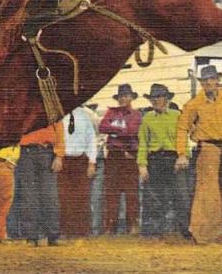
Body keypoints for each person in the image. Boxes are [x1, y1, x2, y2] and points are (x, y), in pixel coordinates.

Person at [176, 66, 222, 244]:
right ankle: (200, 234)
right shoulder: (194, 104)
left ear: (218, 79)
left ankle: (216, 233)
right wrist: (181, 153)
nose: (209, 82)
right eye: (205, 80)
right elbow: (181, 128)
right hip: (207, 149)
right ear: (201, 83)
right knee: (207, 192)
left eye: (212, 78)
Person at [137, 83, 185, 237]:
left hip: (173, 159)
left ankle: (185, 231)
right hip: (155, 159)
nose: (156, 100)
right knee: (153, 197)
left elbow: (182, 138)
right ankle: (153, 232)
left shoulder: (177, 116)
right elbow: (143, 142)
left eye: (159, 97)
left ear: (166, 99)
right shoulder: (147, 118)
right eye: (153, 98)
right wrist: (142, 165)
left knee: (181, 195)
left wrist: (183, 156)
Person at [98, 84, 142, 235]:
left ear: (131, 98)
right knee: (111, 191)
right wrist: (120, 130)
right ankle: (111, 225)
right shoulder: (111, 112)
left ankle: (132, 224)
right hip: (114, 155)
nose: (123, 98)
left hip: (129, 155)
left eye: (126, 96)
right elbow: (102, 127)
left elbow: (132, 131)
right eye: (121, 96)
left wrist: (115, 130)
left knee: (131, 192)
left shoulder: (136, 114)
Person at [18, 122, 66, 246]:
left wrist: (59, 155)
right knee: (28, 196)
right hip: (26, 152)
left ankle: (53, 235)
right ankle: (31, 236)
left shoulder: (51, 105)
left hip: (47, 151)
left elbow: (59, 130)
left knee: (50, 196)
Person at [58, 106, 98, 238]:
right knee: (63, 196)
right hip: (63, 159)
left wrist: (92, 162)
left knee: (81, 196)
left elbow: (92, 139)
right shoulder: (57, 115)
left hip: (80, 160)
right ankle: (65, 231)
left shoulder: (85, 116)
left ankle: (81, 231)